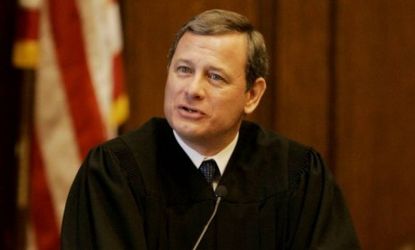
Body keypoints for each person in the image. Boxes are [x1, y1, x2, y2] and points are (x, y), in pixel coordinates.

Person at [61, 9, 360, 249]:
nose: (192, 89)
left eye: (215, 77)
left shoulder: (298, 175)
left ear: (252, 94)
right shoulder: (115, 173)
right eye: (184, 70)